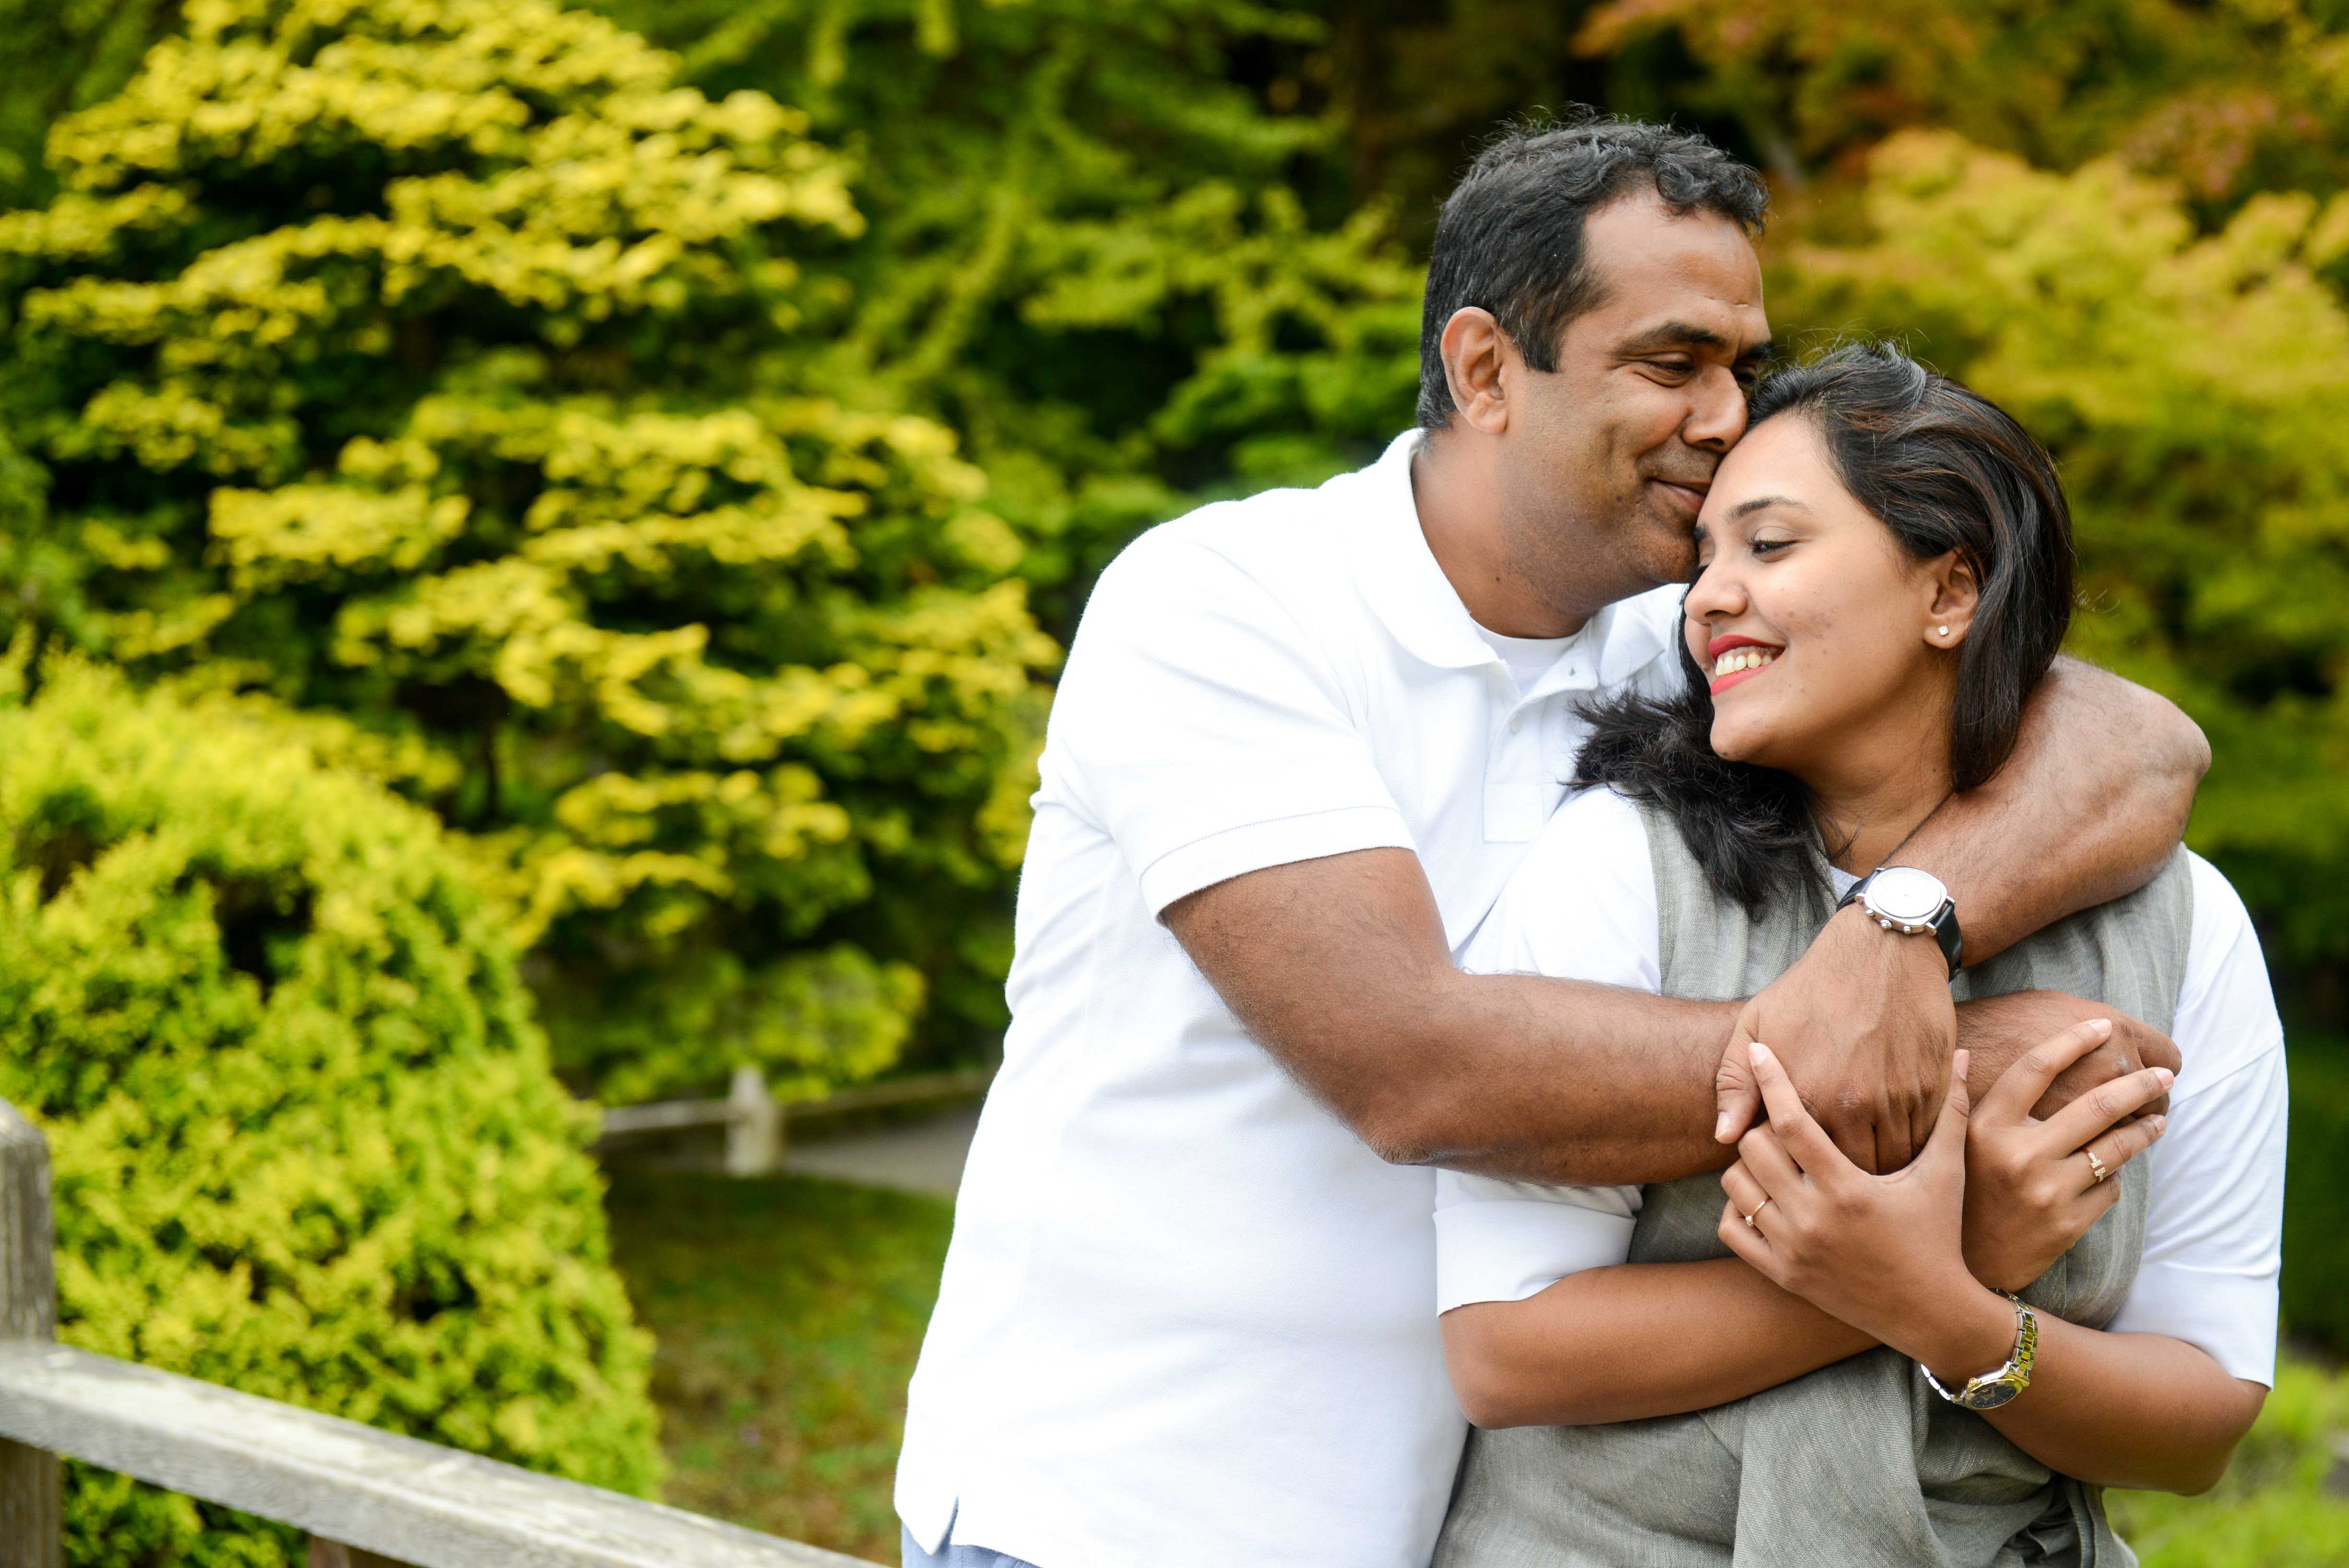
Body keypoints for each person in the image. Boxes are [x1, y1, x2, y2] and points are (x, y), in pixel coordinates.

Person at [897, 116, 2211, 1568]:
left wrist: (1905, 923)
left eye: (1743, 368)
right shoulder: (1224, 604)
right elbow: (1412, 1066)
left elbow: (2138, 738)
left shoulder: (1687, 646)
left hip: (1442, 1530)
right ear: (1482, 369)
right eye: (1673, 362)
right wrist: (1923, 1071)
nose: (1726, 416)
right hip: (1113, 1512)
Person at [1433, 344, 2284, 1566]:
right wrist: (1938, 1266)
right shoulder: (1618, 865)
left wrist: (1947, 1310)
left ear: (1950, 592)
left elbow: (2200, 1418)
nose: (1708, 596)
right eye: (1705, 557)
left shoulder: (2185, 924)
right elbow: (1505, 1350)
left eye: (1769, 547)